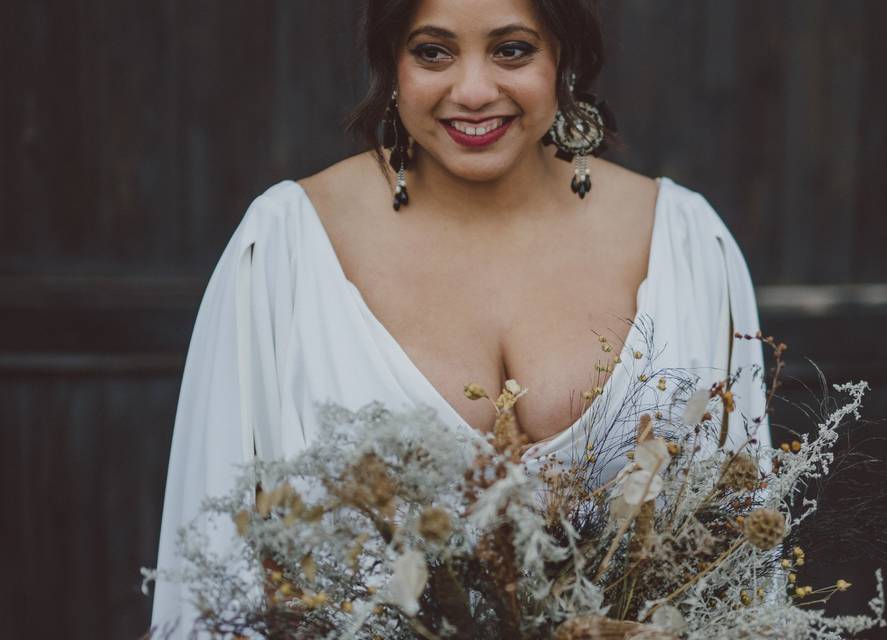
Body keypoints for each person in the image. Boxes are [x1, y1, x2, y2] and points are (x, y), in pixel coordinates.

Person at [150, 0, 772, 635]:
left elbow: (742, 558)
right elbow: (214, 563)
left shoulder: (684, 242)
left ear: (564, 58)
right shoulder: (285, 244)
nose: (473, 91)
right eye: (433, 52)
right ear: (392, 65)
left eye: (512, 50)